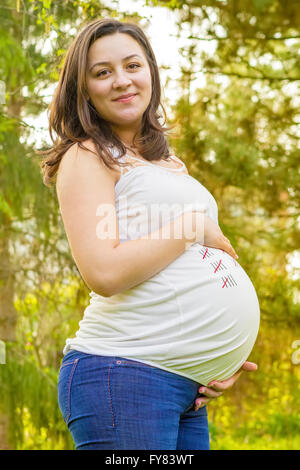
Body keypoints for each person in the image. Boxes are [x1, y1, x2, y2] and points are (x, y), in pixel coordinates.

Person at [40, 18, 260, 450]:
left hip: (186, 388)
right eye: (102, 72)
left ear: (151, 74)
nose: (121, 81)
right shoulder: (88, 155)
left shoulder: (167, 163)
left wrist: (216, 359)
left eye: (132, 65)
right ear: (83, 89)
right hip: (124, 374)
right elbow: (103, 271)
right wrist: (192, 225)